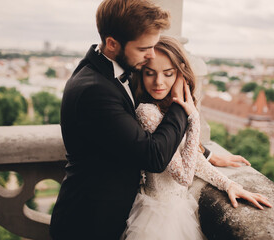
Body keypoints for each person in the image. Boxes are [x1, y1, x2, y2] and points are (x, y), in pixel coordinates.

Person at [50, 0, 198, 239]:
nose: (151, 56)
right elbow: (155, 156)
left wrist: (205, 153)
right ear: (112, 43)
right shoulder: (95, 90)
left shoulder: (110, 71)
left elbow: (136, 131)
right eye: (143, 49)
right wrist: (181, 106)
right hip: (88, 223)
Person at [122, 36, 272, 240]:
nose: (159, 82)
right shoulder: (147, 112)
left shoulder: (167, 108)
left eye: (168, 74)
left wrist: (228, 184)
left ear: (180, 75)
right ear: (141, 74)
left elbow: (192, 159)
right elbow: (184, 176)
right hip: (159, 217)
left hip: (177, 209)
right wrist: (194, 120)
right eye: (150, 73)